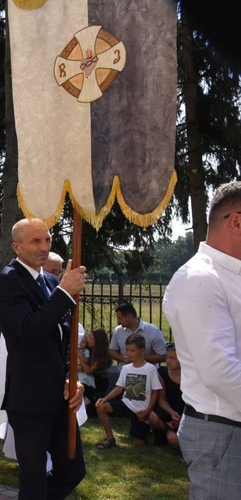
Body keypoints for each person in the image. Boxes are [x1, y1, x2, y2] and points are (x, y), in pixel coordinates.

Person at [0, 218, 87, 500]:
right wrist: (64, 292)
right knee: (33, 482)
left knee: (73, 471)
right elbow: (30, 332)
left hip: (60, 395)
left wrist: (73, 377)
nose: (44, 247)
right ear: (17, 247)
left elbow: (63, 339)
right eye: (35, 241)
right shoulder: (8, 280)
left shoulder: (50, 280)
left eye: (47, 239)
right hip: (30, 401)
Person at [163, 180, 241, 497]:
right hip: (222, 431)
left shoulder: (227, 276)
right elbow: (220, 372)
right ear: (237, 221)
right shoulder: (200, 279)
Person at [95, 333, 162, 449]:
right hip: (126, 404)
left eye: (132, 350)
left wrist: (148, 411)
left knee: (139, 445)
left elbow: (156, 392)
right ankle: (110, 437)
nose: (128, 353)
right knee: (101, 407)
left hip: (141, 410)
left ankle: (147, 433)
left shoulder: (150, 369)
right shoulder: (126, 368)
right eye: (127, 350)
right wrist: (105, 399)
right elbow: (119, 387)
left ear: (142, 351)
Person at [108, 302, 166, 369]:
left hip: (147, 373)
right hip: (124, 373)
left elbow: (163, 355)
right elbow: (111, 351)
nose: (118, 321)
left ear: (129, 317)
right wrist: (122, 358)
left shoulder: (152, 331)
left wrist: (140, 357)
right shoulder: (118, 331)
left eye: (120, 318)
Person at [148, 342, 183, 448]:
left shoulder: (192, 375)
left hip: (187, 412)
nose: (168, 361)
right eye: (167, 357)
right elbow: (161, 398)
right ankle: (168, 431)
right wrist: (172, 413)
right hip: (170, 410)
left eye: (173, 358)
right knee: (153, 416)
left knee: (174, 439)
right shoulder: (161, 372)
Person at [77, 328, 110, 416]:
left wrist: (79, 356)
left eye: (91, 338)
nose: (88, 339)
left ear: (98, 341)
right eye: (88, 336)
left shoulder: (100, 357)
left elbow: (88, 370)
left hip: (98, 382)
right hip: (89, 378)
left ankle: (84, 405)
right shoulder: (88, 350)